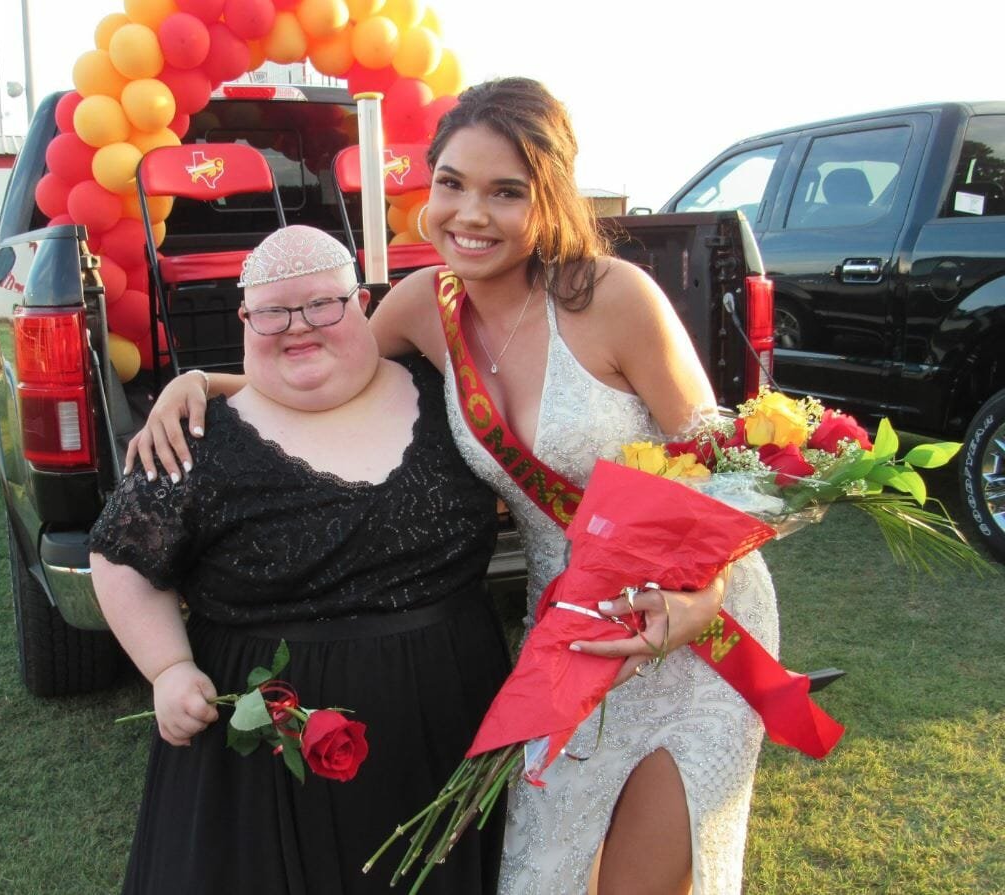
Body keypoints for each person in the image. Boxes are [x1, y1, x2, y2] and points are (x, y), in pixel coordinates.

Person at [127, 80, 778, 895]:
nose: (471, 214)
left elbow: (731, 472)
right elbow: (328, 369)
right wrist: (201, 383)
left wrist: (701, 599)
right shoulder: (420, 307)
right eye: (452, 183)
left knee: (646, 881)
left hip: (692, 628)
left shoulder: (614, 299)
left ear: (550, 197)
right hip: (567, 637)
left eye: (506, 191)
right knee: (541, 877)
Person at [90, 225, 511, 895]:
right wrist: (167, 668)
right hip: (263, 772)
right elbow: (122, 557)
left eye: (322, 304)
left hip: (452, 727)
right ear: (244, 320)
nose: (299, 327)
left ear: (363, 303)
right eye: (274, 313)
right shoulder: (195, 436)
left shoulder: (446, 397)